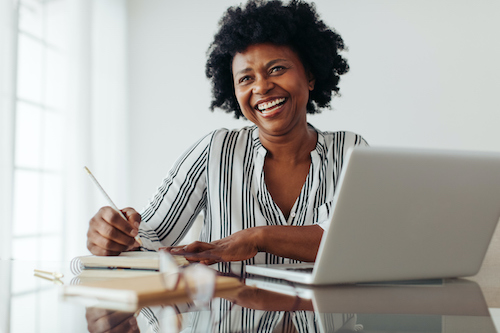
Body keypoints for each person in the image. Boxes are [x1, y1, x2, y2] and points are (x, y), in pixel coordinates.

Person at [86, 0, 368, 265]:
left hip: (322, 315)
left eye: (277, 69)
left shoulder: (350, 150)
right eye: (246, 78)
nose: (261, 87)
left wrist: (257, 238)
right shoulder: (215, 149)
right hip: (230, 314)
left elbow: (356, 241)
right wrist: (118, 236)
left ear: (310, 76)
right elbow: (153, 236)